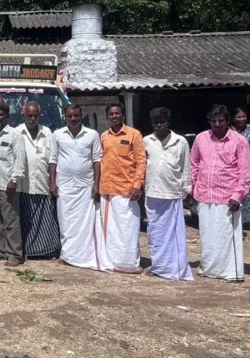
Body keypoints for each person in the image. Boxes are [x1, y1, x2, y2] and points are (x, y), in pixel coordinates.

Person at [191, 105, 250, 282]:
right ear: (208, 120)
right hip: (204, 195)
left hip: (228, 198)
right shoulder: (201, 138)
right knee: (208, 235)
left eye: (221, 121)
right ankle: (210, 269)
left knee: (227, 236)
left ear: (228, 121)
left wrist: (238, 195)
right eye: (213, 120)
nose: (217, 124)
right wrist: (191, 189)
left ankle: (231, 272)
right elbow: (194, 164)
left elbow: (245, 172)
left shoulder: (239, 141)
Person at [50, 104, 111, 272]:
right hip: (65, 186)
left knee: (84, 223)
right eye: (70, 116)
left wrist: (96, 184)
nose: (73, 119)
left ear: (81, 115)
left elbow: (97, 160)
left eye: (76, 116)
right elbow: (53, 160)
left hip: (85, 186)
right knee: (66, 221)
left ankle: (84, 255)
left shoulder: (91, 135)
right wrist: (52, 182)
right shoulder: (58, 135)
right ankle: (67, 255)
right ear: (65, 117)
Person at [143, 107, 193, 281]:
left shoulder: (181, 142)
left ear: (168, 122)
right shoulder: (146, 141)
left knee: (174, 233)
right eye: (156, 122)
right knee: (155, 232)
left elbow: (186, 167)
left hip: (173, 192)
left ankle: (175, 267)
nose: (159, 126)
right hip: (153, 192)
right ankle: (159, 266)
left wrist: (187, 190)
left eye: (162, 122)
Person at [99, 103, 147, 274]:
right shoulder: (104, 136)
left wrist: (137, 185)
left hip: (127, 191)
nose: (114, 116)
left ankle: (128, 264)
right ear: (107, 116)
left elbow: (141, 162)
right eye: (111, 114)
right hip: (107, 191)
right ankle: (112, 262)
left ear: (123, 115)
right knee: (111, 230)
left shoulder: (134, 135)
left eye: (117, 113)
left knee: (128, 229)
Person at [16, 102, 61, 259]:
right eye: (29, 115)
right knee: (25, 220)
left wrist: (53, 182)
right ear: (24, 115)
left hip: (43, 183)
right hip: (23, 186)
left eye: (35, 115)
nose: (32, 118)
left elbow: (53, 159)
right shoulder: (17, 133)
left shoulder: (47, 132)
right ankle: (26, 251)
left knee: (45, 221)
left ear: (39, 116)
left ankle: (45, 251)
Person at [0, 103, 27, 267]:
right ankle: (1, 250)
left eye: (0, 115)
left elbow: (20, 159)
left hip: (7, 185)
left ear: (7, 117)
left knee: (10, 221)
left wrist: (14, 180)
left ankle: (15, 254)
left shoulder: (15, 136)